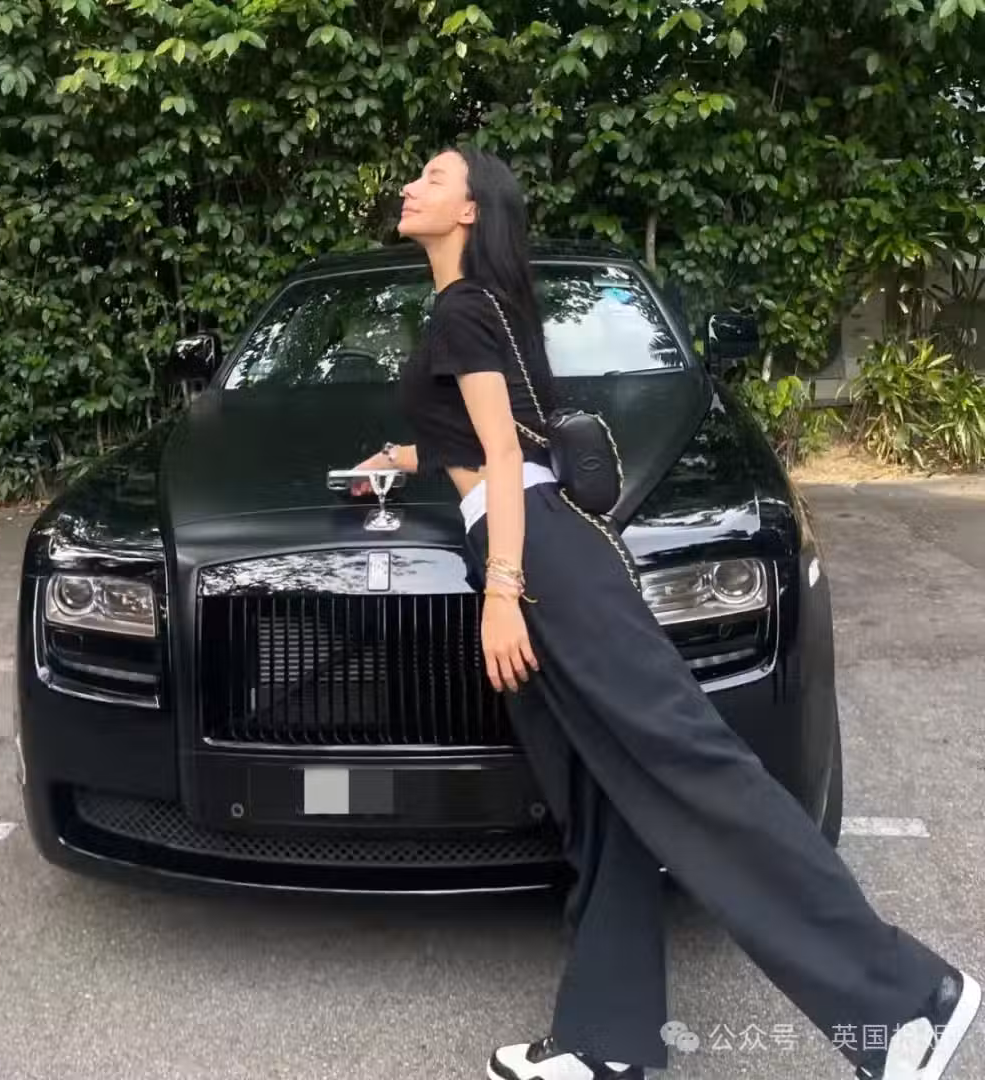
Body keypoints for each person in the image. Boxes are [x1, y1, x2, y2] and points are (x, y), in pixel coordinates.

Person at [350, 143, 981, 1080]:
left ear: (472, 210)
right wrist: (403, 460)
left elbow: (506, 460)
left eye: (433, 178)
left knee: (694, 768)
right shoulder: (485, 309)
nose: (411, 186)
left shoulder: (462, 310)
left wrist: (504, 590)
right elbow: (497, 439)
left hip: (542, 562)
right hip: (543, 547)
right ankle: (607, 1045)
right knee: (598, 799)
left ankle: (910, 1002)